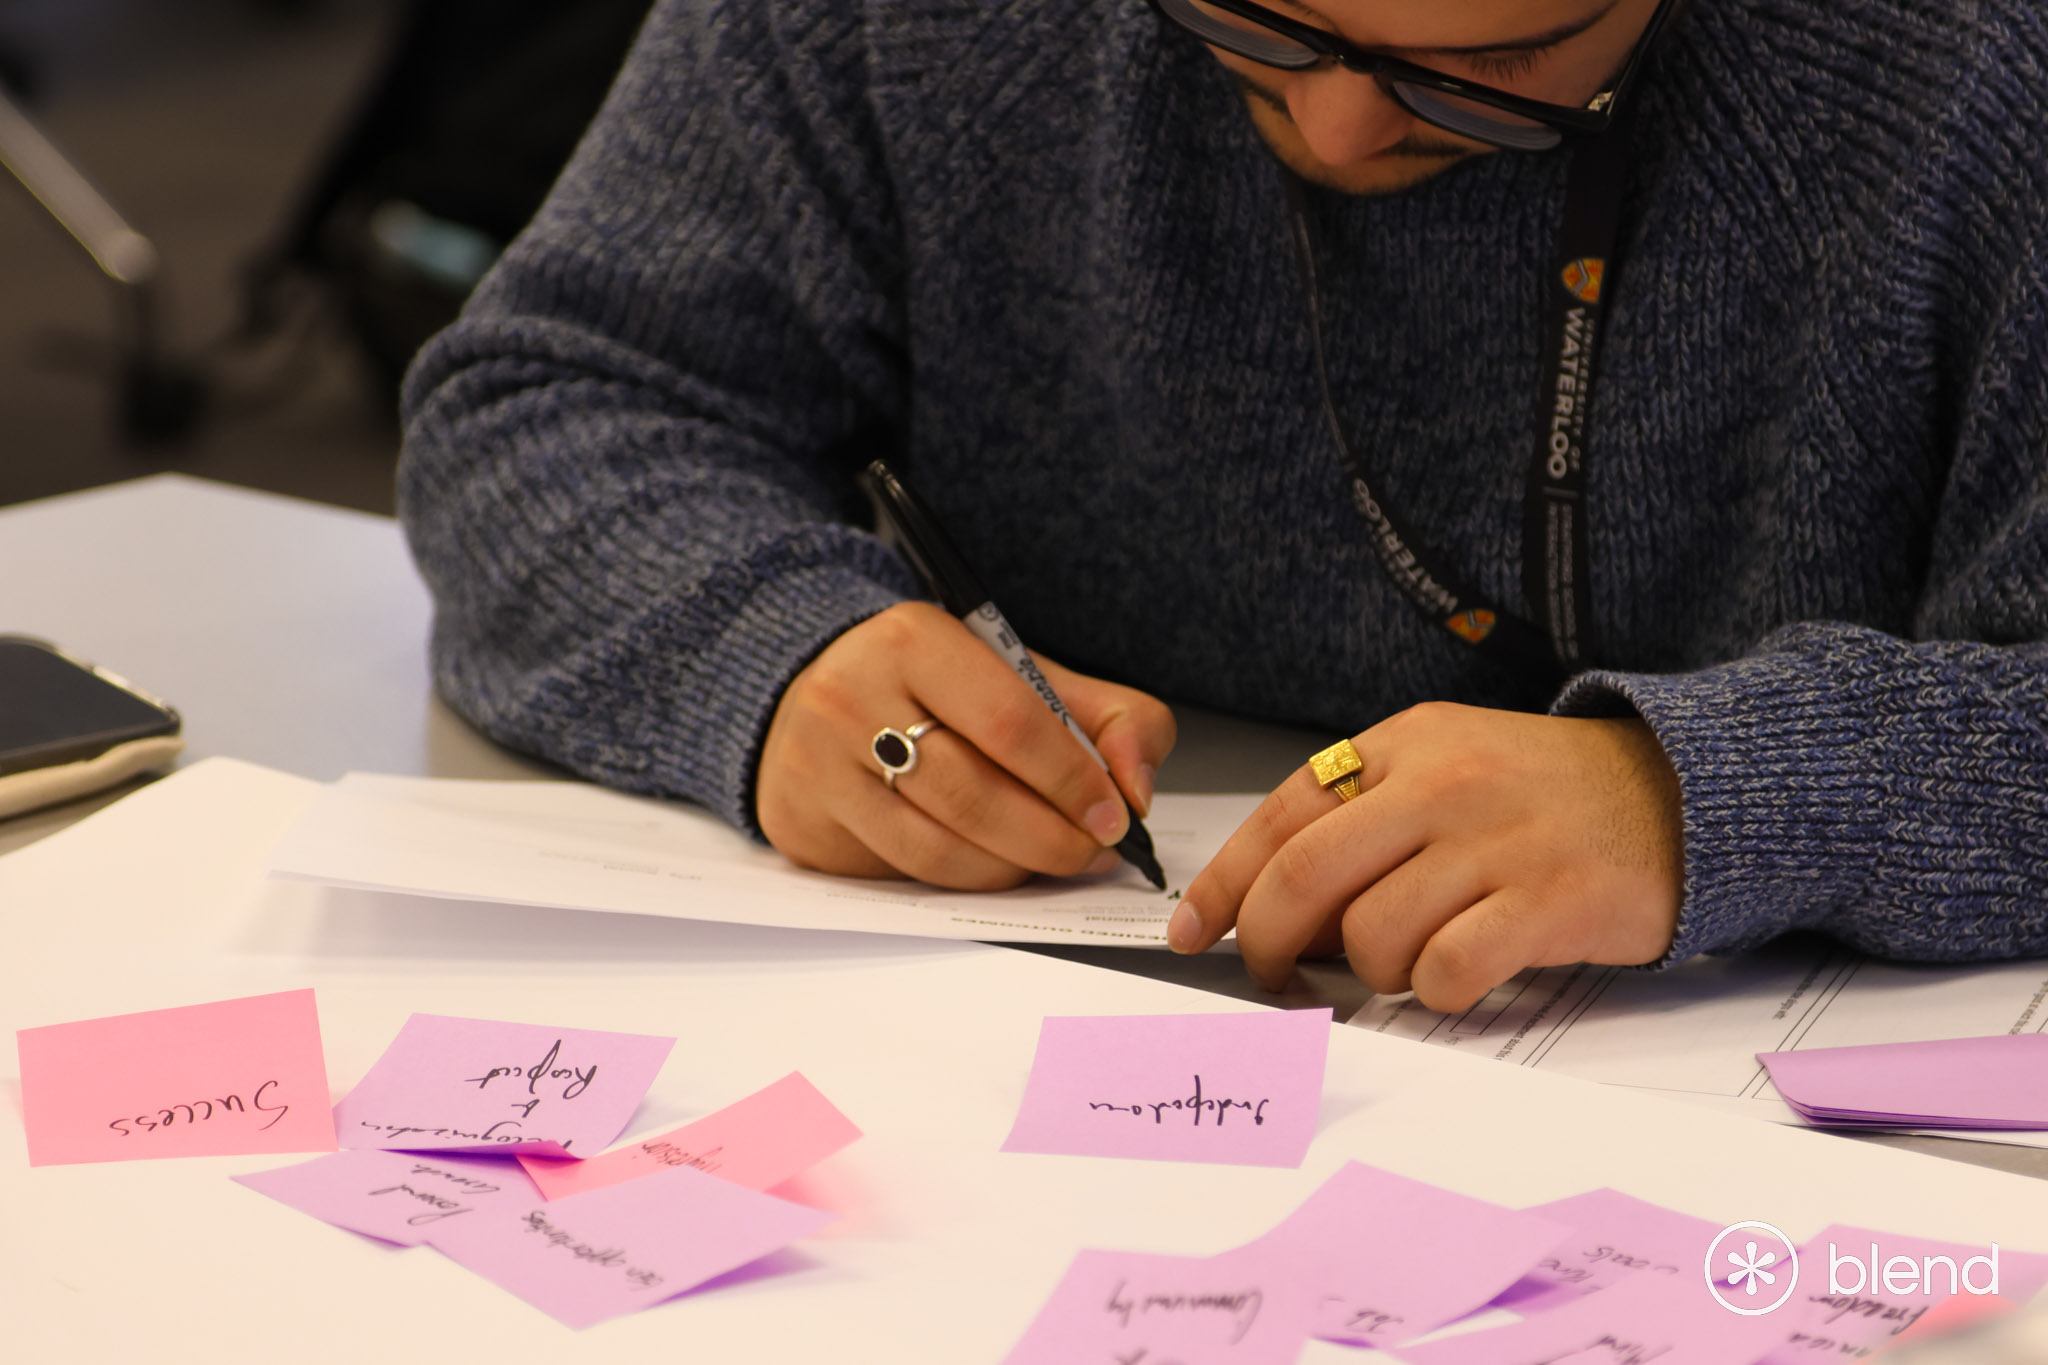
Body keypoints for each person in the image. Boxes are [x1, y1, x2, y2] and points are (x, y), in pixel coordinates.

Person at [397, 0, 2048, 1011]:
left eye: (1499, 67)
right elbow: (557, 396)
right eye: (1249, 14)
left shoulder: (1979, 68)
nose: (1334, 121)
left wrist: (1698, 802)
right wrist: (772, 652)